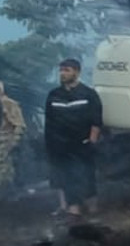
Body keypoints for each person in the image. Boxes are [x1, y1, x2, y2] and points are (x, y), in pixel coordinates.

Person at [44, 58, 103, 217]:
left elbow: (96, 120)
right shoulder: (54, 95)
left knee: (86, 175)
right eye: (61, 70)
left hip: (82, 143)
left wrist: (92, 140)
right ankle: (73, 209)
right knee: (66, 176)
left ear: (76, 72)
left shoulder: (89, 94)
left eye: (67, 70)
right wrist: (49, 144)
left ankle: (92, 207)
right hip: (60, 144)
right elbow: (49, 121)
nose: (63, 74)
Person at [0, 80, 25, 194]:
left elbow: (19, 124)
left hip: (5, 138)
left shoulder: (8, 103)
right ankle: (4, 191)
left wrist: (15, 140)